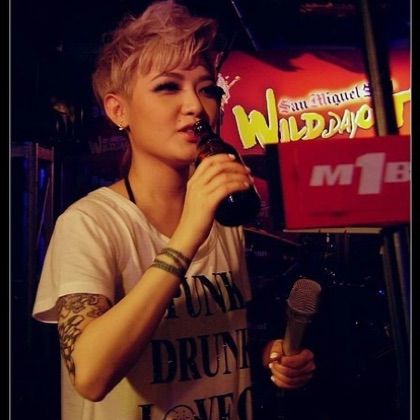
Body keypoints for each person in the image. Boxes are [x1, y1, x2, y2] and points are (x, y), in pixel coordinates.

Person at [32, 1, 315, 419]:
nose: (196, 106)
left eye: (207, 89)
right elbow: (90, 375)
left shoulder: (223, 217)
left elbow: (214, 337)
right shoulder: (89, 223)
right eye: (168, 87)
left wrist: (270, 354)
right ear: (118, 110)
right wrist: (186, 237)